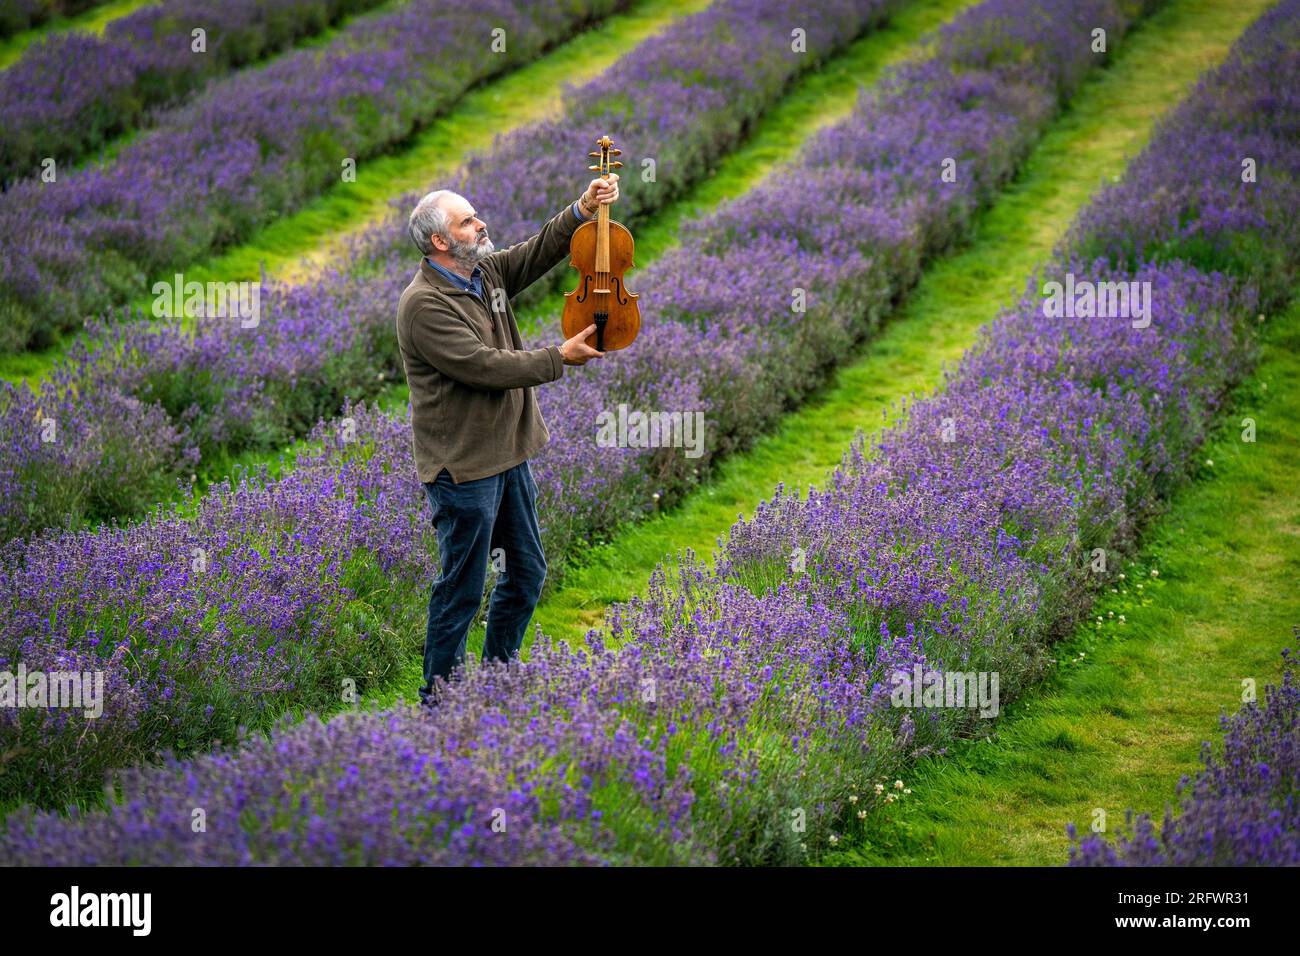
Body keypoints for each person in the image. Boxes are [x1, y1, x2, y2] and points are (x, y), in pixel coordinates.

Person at [396, 174, 619, 707]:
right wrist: (556, 357)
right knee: (463, 589)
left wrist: (582, 209)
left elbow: (536, 252)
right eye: (467, 221)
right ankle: (439, 704)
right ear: (441, 242)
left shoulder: (485, 273)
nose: (481, 223)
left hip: (509, 455)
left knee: (526, 573)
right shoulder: (423, 304)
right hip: (463, 468)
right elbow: (481, 366)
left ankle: (498, 682)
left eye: (476, 215)